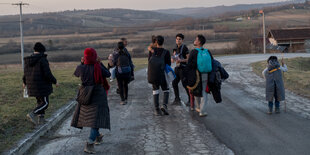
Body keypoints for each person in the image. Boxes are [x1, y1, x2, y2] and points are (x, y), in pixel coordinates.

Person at [71, 48, 111, 154]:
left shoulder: (81, 67)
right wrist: (100, 63)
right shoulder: (98, 67)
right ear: (94, 56)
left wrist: (82, 63)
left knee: (94, 119)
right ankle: (89, 143)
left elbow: (76, 73)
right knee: (95, 119)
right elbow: (108, 74)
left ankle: (98, 137)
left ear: (85, 57)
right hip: (97, 94)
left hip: (85, 94)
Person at [23, 42, 59, 125]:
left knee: (40, 102)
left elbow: (25, 72)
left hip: (32, 85)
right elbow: (47, 74)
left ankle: (41, 120)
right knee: (45, 103)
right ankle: (33, 113)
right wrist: (55, 81)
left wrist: (24, 82)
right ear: (42, 51)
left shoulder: (28, 60)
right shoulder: (42, 59)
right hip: (42, 85)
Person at [187, 35, 213, 117]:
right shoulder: (207, 51)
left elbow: (189, 64)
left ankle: (198, 107)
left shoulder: (194, 52)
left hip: (196, 75)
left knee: (195, 90)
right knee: (204, 92)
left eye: (196, 39)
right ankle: (202, 110)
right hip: (205, 74)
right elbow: (212, 61)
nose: (194, 41)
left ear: (199, 42)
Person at [147, 35, 171, 116]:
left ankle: (157, 110)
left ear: (156, 42)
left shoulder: (152, 51)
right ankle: (164, 105)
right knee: (166, 89)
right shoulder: (166, 52)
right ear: (163, 42)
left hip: (153, 74)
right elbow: (168, 64)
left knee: (155, 90)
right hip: (162, 74)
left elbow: (149, 61)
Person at [171, 33, 190, 106]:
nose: (178, 40)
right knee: (174, 83)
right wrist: (172, 59)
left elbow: (188, 59)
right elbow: (174, 57)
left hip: (183, 69)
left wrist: (181, 61)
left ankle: (190, 99)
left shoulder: (185, 48)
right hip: (177, 68)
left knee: (185, 84)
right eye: (177, 39)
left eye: (179, 39)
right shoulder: (175, 48)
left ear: (182, 40)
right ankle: (177, 99)